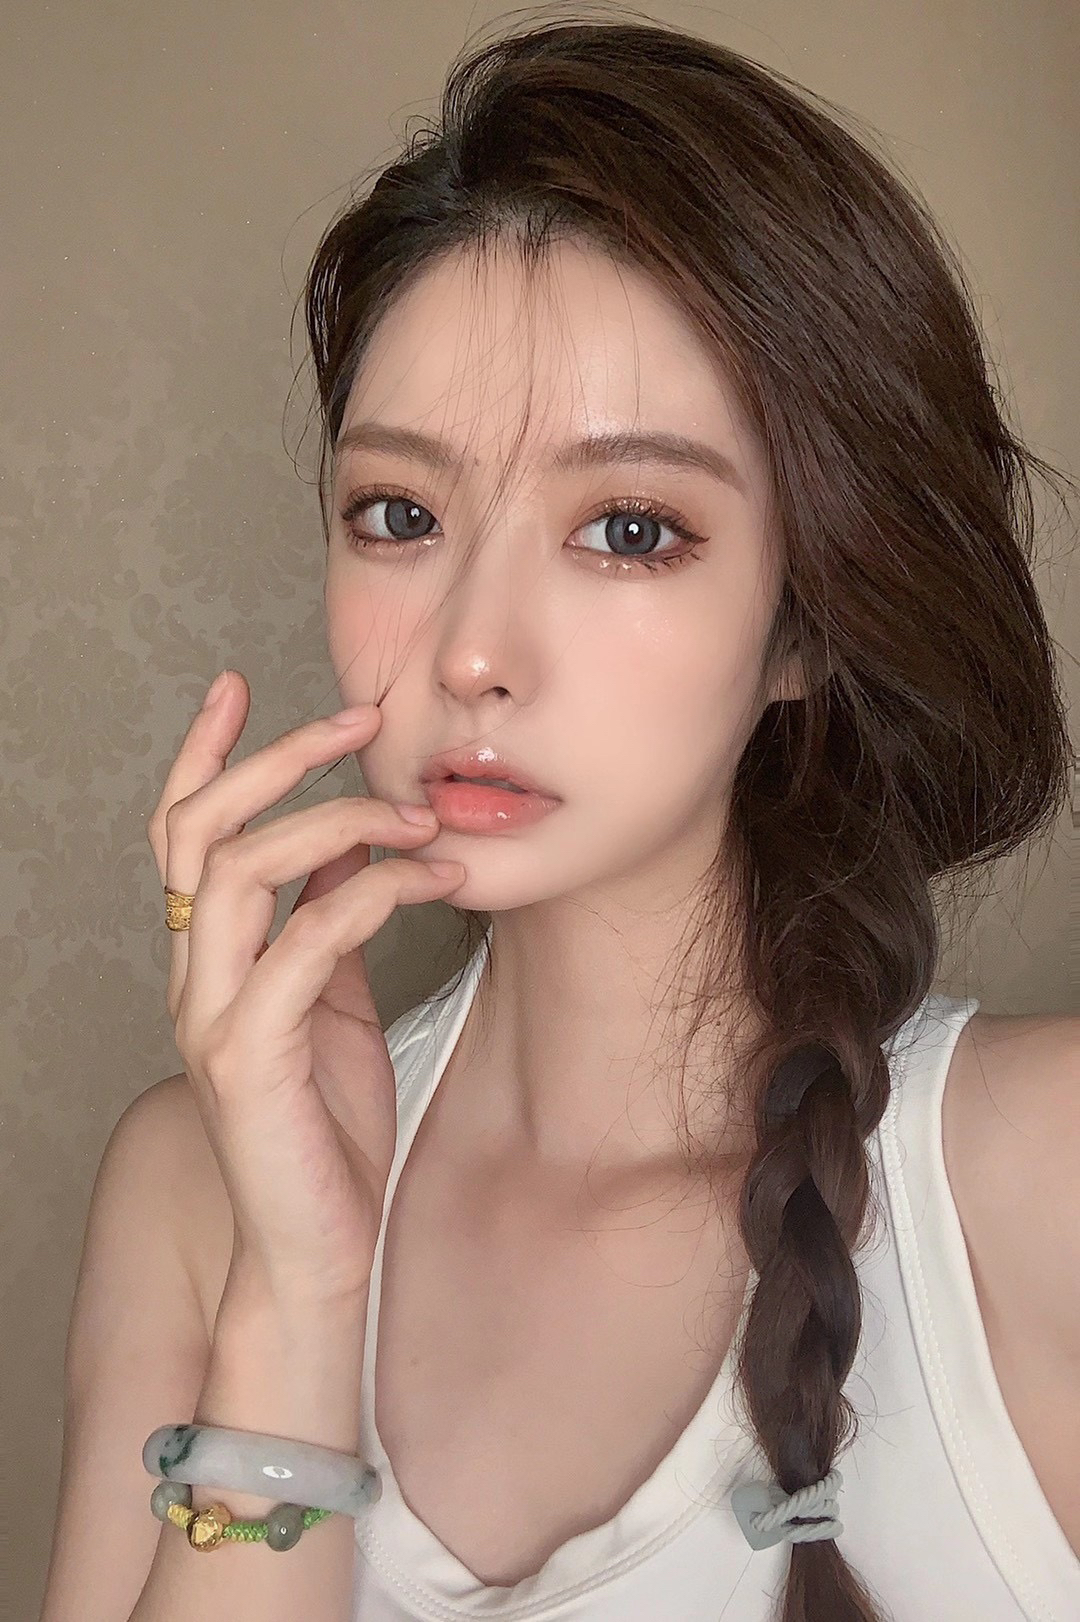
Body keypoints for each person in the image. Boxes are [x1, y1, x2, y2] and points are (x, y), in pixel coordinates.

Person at [40, 14, 1078, 1622]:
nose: (471, 649)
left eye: (630, 529)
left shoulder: (1039, 1173)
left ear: (807, 621)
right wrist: (297, 1300)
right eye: (399, 513)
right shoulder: (195, 1185)